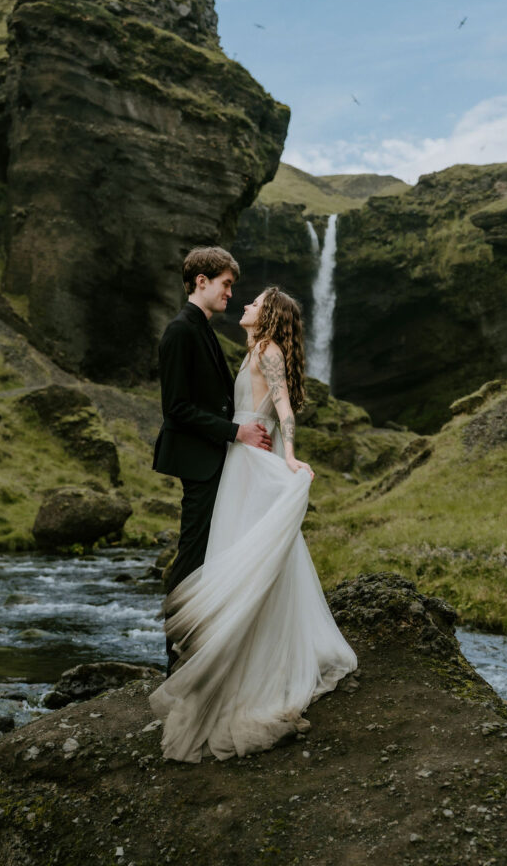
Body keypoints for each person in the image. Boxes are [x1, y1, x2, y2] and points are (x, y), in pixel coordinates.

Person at [148, 286, 357, 762]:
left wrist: (288, 456)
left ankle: (246, 662)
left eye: (255, 302)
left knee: (246, 556)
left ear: (269, 316)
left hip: (249, 461)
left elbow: (283, 408)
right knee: (243, 556)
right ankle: (238, 652)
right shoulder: (252, 349)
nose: (244, 304)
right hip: (236, 460)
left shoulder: (267, 349)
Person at [152, 247, 272, 675]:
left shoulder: (203, 328)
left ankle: (202, 644)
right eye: (225, 284)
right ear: (200, 281)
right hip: (200, 460)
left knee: (211, 552)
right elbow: (177, 409)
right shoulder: (180, 332)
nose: (230, 293)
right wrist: (236, 432)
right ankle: (176, 656)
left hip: (216, 459)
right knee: (192, 555)